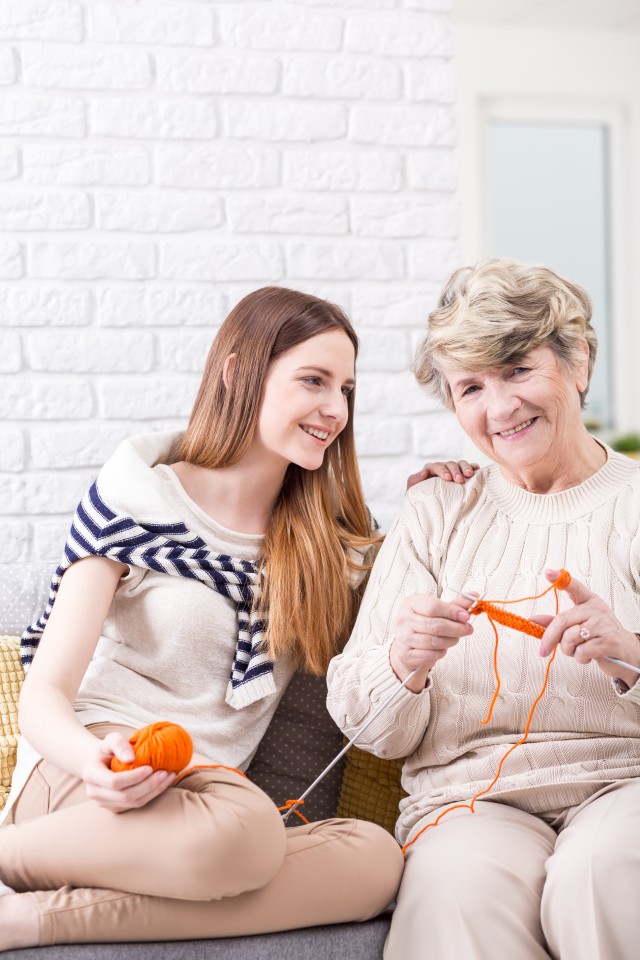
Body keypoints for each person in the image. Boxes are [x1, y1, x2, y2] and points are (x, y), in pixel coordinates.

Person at [0, 286, 419, 950]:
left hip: (208, 807)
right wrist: (93, 762)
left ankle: (26, 914)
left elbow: (418, 576)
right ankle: (15, 851)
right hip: (85, 782)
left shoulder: (326, 548)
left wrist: (454, 498)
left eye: (346, 389)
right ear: (238, 372)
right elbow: (46, 694)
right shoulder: (136, 500)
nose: (334, 409)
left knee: (373, 860)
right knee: (245, 833)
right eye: (313, 380)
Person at [326, 259, 640, 960]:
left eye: (519, 370)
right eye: (472, 386)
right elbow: (368, 724)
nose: (499, 410)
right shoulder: (439, 509)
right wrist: (402, 666)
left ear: (578, 362)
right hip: (470, 804)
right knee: (457, 894)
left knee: (606, 872)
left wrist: (632, 651)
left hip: (629, 786)